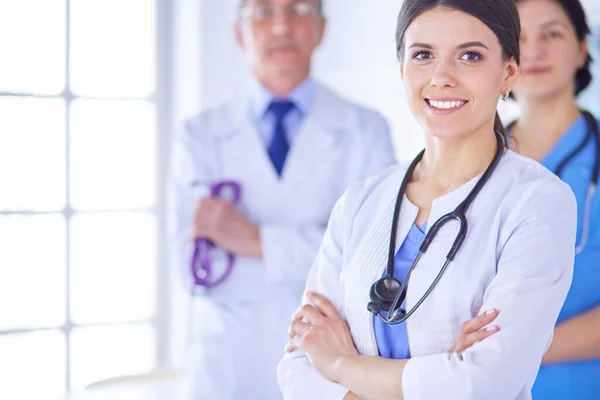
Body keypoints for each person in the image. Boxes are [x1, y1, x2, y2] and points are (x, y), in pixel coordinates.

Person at [278, 0, 577, 399]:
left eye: (470, 56)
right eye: (423, 55)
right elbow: (298, 362)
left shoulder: (538, 202)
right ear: (402, 70)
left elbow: (482, 383)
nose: (441, 77)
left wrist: (338, 364)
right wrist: (436, 378)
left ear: (508, 73)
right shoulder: (360, 202)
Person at [168, 0, 396, 398]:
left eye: (299, 10)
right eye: (262, 14)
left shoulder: (366, 129)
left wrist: (253, 241)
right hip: (227, 363)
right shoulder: (199, 135)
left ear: (323, 29)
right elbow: (190, 267)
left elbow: (370, 259)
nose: (281, 27)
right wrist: (319, 246)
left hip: (326, 363)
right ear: (238, 33)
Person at [454, 0, 600, 398]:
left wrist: (516, 348)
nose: (534, 50)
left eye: (552, 34)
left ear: (582, 47)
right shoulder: (467, 160)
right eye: (519, 37)